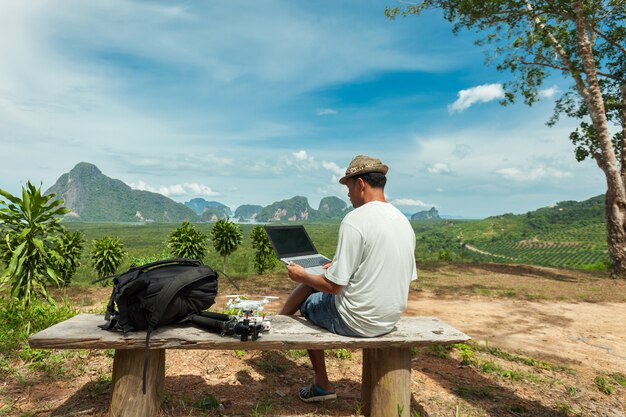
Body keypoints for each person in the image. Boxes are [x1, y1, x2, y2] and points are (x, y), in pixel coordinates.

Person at [279, 154, 417, 402]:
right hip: (389, 318)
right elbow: (394, 271)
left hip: (358, 321)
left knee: (310, 298)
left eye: (348, 187)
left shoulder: (355, 219)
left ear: (360, 184)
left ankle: (321, 384)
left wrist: (301, 274)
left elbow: (332, 286)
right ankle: (278, 321)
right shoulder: (402, 221)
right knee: (317, 278)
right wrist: (341, 266)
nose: (348, 195)